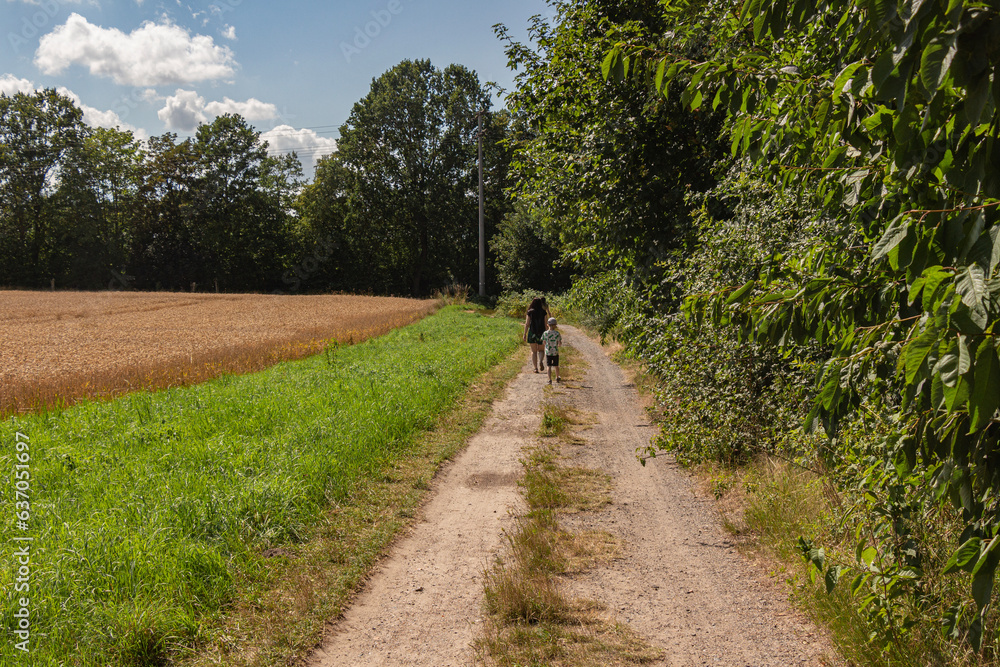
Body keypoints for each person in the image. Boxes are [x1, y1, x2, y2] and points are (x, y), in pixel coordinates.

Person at [523, 297, 548, 373]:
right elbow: (546, 324)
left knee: (533, 352)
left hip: (532, 333)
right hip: (541, 333)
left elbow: (527, 324)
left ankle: (535, 368)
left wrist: (525, 334)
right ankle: (540, 361)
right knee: (541, 350)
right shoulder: (543, 312)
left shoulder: (530, 312)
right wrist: (547, 334)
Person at [541, 317, 562, 384]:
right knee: (556, 365)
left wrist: (547, 345)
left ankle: (549, 379)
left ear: (548, 325)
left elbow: (544, 342)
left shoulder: (545, 333)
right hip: (555, 352)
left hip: (548, 352)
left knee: (548, 366)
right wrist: (558, 345)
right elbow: (559, 343)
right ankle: (557, 377)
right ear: (555, 325)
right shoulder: (557, 333)